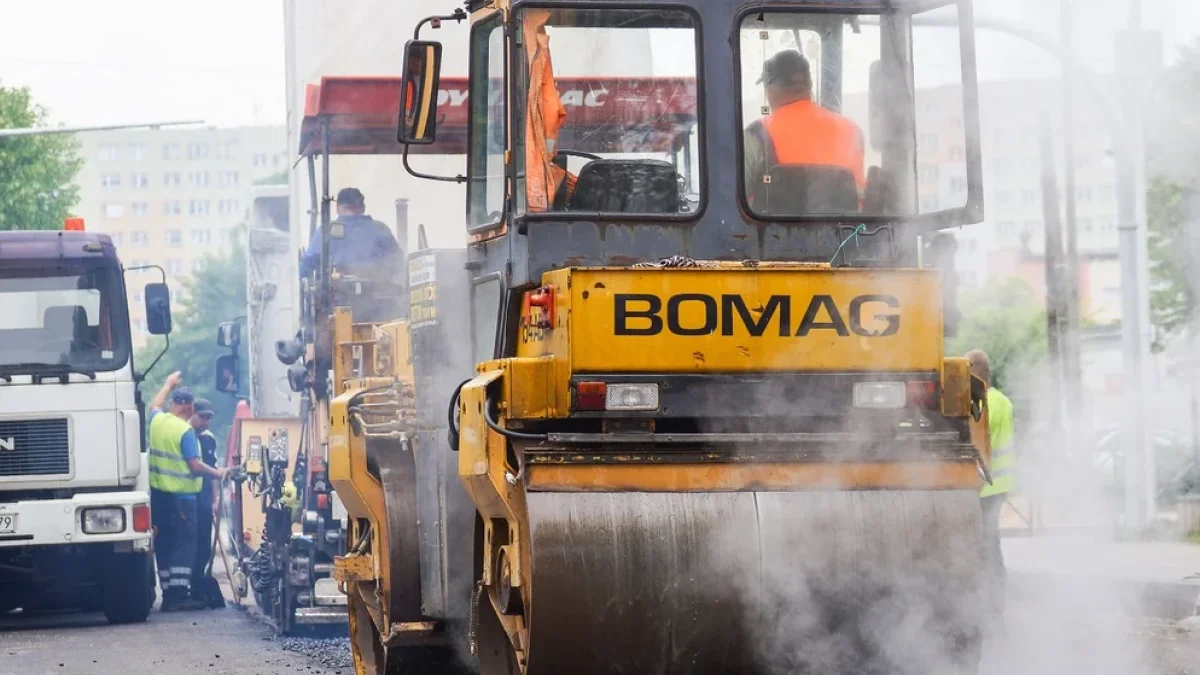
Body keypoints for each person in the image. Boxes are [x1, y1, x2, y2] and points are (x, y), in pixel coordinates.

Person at [743, 50, 866, 210]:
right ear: (809, 86)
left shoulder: (756, 135)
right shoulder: (852, 130)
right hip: (845, 233)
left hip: (774, 234)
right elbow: (861, 199)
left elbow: (734, 200)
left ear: (771, 90)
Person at [147, 372, 227, 611]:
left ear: (174, 404)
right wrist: (219, 473)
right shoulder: (184, 432)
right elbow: (195, 465)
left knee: (164, 542)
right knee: (184, 543)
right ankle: (179, 595)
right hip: (182, 498)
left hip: (159, 497)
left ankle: (168, 589)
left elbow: (154, 404)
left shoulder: (158, 421)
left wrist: (168, 383)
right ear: (191, 407)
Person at [966, 350, 1015, 616]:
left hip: (984, 485)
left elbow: (979, 445)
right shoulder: (1002, 400)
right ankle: (995, 608)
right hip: (999, 485)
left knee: (983, 548)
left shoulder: (983, 402)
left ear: (973, 374)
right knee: (990, 545)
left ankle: (990, 610)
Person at [298, 188, 403, 279]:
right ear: (363, 207)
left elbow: (306, 265)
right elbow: (398, 263)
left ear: (338, 208)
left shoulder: (326, 231)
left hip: (334, 296)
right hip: (377, 295)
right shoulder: (380, 229)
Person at [188, 398, 225, 608]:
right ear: (194, 413)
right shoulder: (184, 434)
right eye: (203, 417)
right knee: (189, 543)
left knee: (204, 543)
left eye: (209, 418)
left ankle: (199, 581)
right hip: (184, 496)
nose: (207, 422)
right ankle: (189, 585)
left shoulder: (208, 439)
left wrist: (214, 500)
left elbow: (212, 472)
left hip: (202, 497)